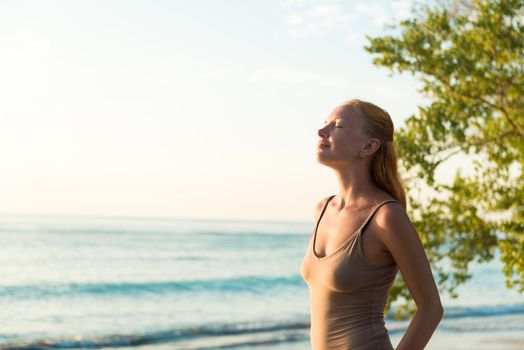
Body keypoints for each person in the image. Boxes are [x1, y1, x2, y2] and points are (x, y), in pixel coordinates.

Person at [300, 99, 443, 349]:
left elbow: (431, 309)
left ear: (368, 146)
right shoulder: (322, 209)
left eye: (338, 126)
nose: (322, 131)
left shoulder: (385, 217)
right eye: (325, 124)